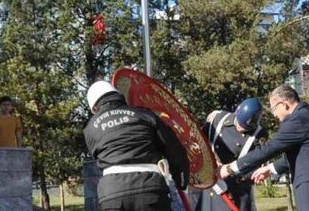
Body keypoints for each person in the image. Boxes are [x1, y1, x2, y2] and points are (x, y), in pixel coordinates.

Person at [219, 85, 309, 211]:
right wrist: (271, 168)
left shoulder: (297, 120)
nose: (275, 115)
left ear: (283, 104)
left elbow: (270, 149)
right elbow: (307, 156)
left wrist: (231, 168)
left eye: (273, 109)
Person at [84, 81, 189, 211]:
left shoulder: (89, 128)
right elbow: (173, 148)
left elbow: (96, 156)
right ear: (119, 96)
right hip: (150, 188)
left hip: (111, 193)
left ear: (94, 108)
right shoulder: (144, 114)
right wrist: (181, 180)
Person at [190, 98, 268, 211]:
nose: (240, 129)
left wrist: (228, 172)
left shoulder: (260, 135)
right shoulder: (218, 118)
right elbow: (200, 141)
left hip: (234, 191)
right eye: (239, 124)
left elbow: (256, 168)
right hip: (206, 185)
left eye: (245, 128)